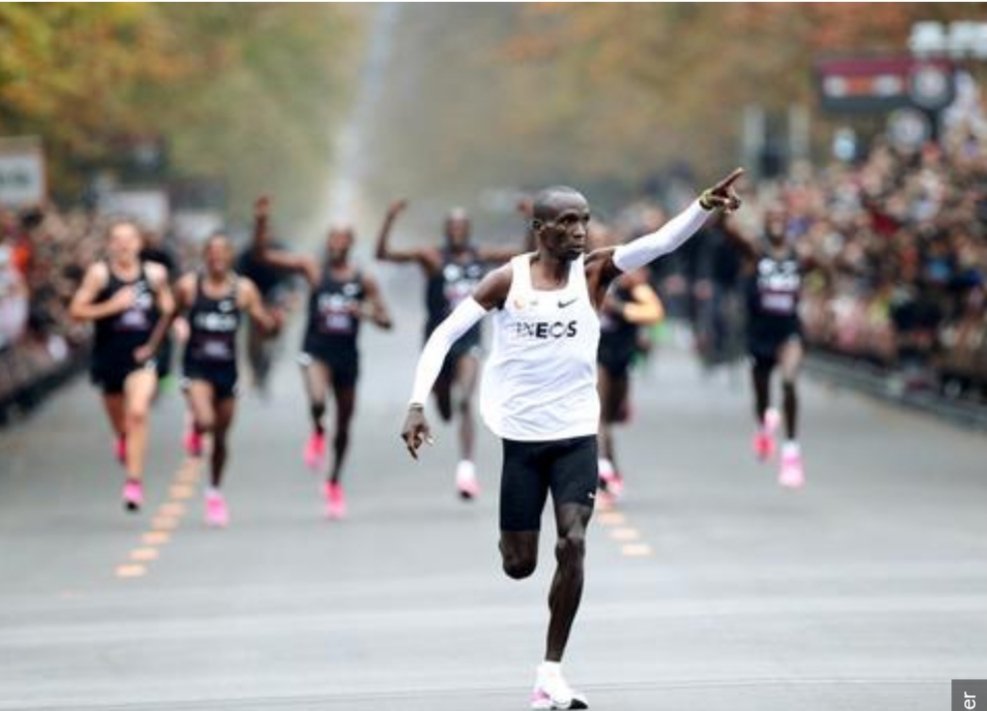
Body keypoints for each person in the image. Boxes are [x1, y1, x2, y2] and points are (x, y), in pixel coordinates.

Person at [401, 169, 743, 709]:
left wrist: (704, 205)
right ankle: (517, 549)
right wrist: (418, 402)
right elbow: (444, 335)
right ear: (540, 229)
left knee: (574, 540)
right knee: (520, 565)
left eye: (583, 220)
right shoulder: (505, 282)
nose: (579, 230)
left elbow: (659, 243)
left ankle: (551, 672)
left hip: (576, 433)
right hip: (521, 435)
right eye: (566, 221)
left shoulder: (596, 272)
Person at [376, 199, 529, 499]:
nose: (457, 231)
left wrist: (530, 220)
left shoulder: (479, 256)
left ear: (468, 230)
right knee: (445, 406)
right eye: (452, 226)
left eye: (462, 226)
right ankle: (442, 402)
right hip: (439, 339)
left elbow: (524, 256)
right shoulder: (431, 257)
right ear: (446, 230)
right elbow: (383, 254)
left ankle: (466, 470)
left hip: (470, 338)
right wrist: (389, 219)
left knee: (464, 402)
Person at [253, 196, 393, 519]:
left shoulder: (363, 279)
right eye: (333, 238)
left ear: (351, 244)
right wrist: (261, 222)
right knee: (318, 400)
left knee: (344, 426)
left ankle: (333, 482)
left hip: (347, 357)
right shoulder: (312, 270)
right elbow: (263, 257)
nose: (337, 244)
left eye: (343, 240)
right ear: (327, 242)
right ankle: (317, 428)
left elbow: (387, 321)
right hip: (316, 350)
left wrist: (367, 313)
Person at [147, 233, 279, 526]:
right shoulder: (189, 287)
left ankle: (214, 491)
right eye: (212, 253)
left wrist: (272, 324)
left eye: (223, 253)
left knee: (220, 436)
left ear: (231, 257)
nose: (217, 258)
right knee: (206, 420)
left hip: (227, 371)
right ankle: (195, 424)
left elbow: (263, 323)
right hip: (196, 368)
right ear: (205, 256)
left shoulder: (242, 290)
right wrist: (151, 347)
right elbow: (168, 319)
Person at [69, 219, 175, 512]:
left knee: (138, 412)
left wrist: (164, 330)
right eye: (118, 239)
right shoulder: (99, 275)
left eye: (130, 239)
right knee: (122, 425)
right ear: (110, 245)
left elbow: (168, 309)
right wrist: (111, 307)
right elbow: (76, 311)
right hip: (110, 356)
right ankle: (125, 442)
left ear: (140, 244)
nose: (124, 245)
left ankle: (133, 481)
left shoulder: (155, 275)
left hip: (142, 357)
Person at [721, 203, 811, 488]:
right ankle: (763, 426)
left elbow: (828, 268)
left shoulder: (800, 255)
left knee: (788, 382)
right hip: (760, 333)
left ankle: (791, 451)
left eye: (781, 217)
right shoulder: (755, 253)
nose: (776, 222)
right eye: (771, 216)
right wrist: (722, 210)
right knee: (761, 394)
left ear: (788, 223)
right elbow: (730, 235)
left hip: (789, 331)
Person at [593, 225, 664, 500]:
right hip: (593, 354)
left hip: (621, 353)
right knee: (597, 416)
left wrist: (620, 309)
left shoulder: (627, 277)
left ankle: (609, 467)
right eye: (592, 241)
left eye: (602, 241)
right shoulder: (578, 275)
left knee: (611, 418)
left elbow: (654, 312)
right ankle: (605, 469)